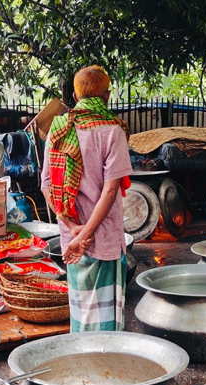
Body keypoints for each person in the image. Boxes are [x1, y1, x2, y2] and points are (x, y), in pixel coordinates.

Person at [40, 65, 133, 332]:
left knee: (81, 315)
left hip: (73, 239)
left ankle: (81, 366)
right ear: (106, 96)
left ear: (75, 94)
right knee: (105, 322)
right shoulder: (111, 131)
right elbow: (110, 190)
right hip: (101, 238)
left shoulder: (58, 128)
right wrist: (85, 236)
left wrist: (74, 231)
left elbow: (47, 185)